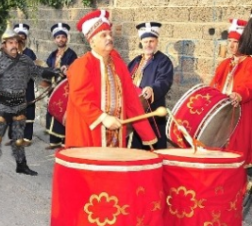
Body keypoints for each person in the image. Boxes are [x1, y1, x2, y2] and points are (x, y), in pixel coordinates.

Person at [0, 27, 63, 180]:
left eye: (16, 42)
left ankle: (21, 165)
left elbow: (38, 71)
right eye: (10, 42)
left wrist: (55, 73)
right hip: (2, 106)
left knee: (18, 138)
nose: (14, 45)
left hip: (19, 105)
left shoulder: (25, 60)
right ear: (4, 44)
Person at [65, 9, 157, 148]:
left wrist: (147, 135)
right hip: (90, 132)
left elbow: (131, 99)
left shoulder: (118, 64)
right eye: (103, 35)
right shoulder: (81, 65)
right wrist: (103, 118)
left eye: (109, 34)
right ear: (92, 42)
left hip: (117, 133)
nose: (109, 38)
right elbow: (80, 97)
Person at [210, 18, 252, 172]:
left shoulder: (249, 63)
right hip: (223, 115)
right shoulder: (224, 64)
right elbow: (214, 86)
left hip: (241, 114)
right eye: (229, 41)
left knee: (237, 153)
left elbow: (249, 86)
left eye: (236, 41)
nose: (232, 45)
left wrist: (239, 94)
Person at [127, 22, 174, 149]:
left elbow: (164, 81)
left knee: (154, 149)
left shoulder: (163, 61)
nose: (148, 44)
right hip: (134, 112)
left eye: (151, 41)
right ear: (141, 42)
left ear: (157, 41)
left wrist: (152, 89)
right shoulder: (135, 61)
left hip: (152, 112)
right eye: (146, 41)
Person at [45, 23, 77, 150]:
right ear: (54, 40)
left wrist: (68, 69)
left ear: (66, 38)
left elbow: (76, 70)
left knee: (64, 114)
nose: (60, 39)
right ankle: (54, 141)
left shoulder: (71, 54)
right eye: (58, 37)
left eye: (63, 37)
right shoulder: (52, 55)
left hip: (65, 91)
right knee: (52, 112)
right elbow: (46, 68)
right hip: (53, 89)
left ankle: (65, 142)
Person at [12, 23, 37, 146]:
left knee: (29, 109)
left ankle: (27, 137)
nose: (21, 39)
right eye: (19, 37)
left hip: (28, 86)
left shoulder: (30, 53)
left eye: (23, 37)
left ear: (25, 38)